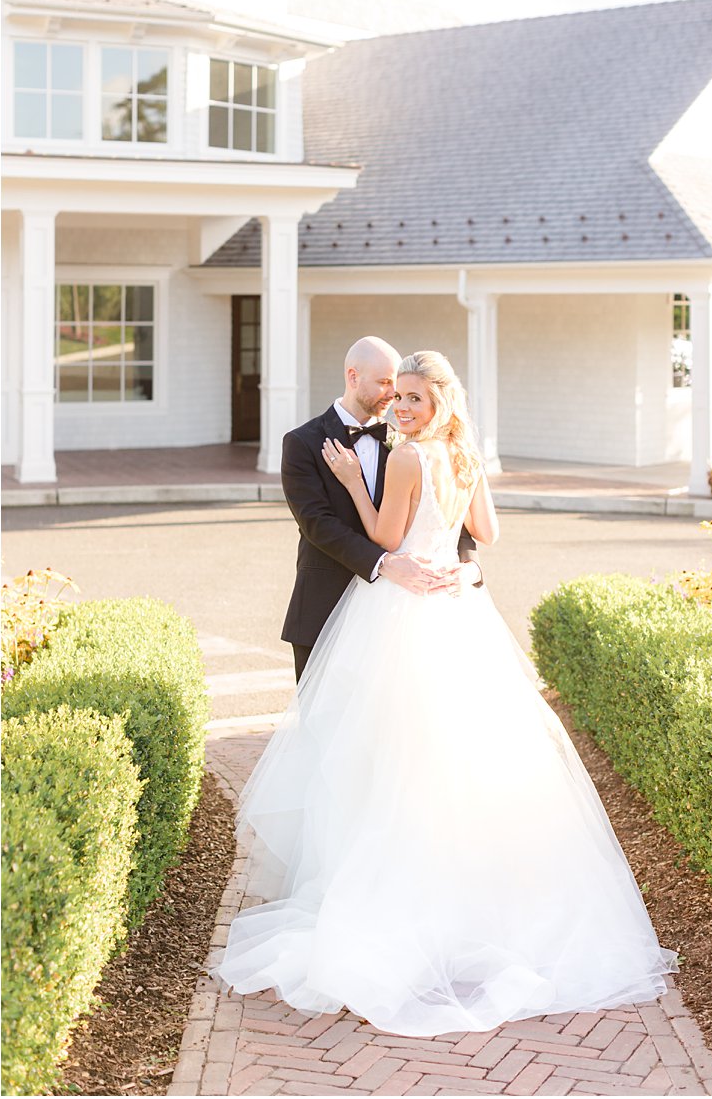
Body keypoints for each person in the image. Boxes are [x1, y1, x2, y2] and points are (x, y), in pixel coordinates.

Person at [217, 350, 676, 1036]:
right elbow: (485, 532)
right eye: (395, 395)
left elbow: (381, 535)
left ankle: (399, 899)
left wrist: (357, 482)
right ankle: (473, 904)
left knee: (395, 760)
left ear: (438, 400)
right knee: (459, 756)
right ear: (367, 384)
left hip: (403, 615)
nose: (400, 407)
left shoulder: (406, 457)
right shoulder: (462, 453)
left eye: (411, 398)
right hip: (459, 619)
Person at [278, 335, 481, 681]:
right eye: (386, 383)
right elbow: (317, 524)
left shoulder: (408, 440)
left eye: (399, 386)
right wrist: (385, 563)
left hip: (398, 617)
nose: (393, 395)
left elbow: (448, 516)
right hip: (324, 607)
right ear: (353, 377)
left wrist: (470, 566)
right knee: (321, 726)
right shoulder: (302, 443)